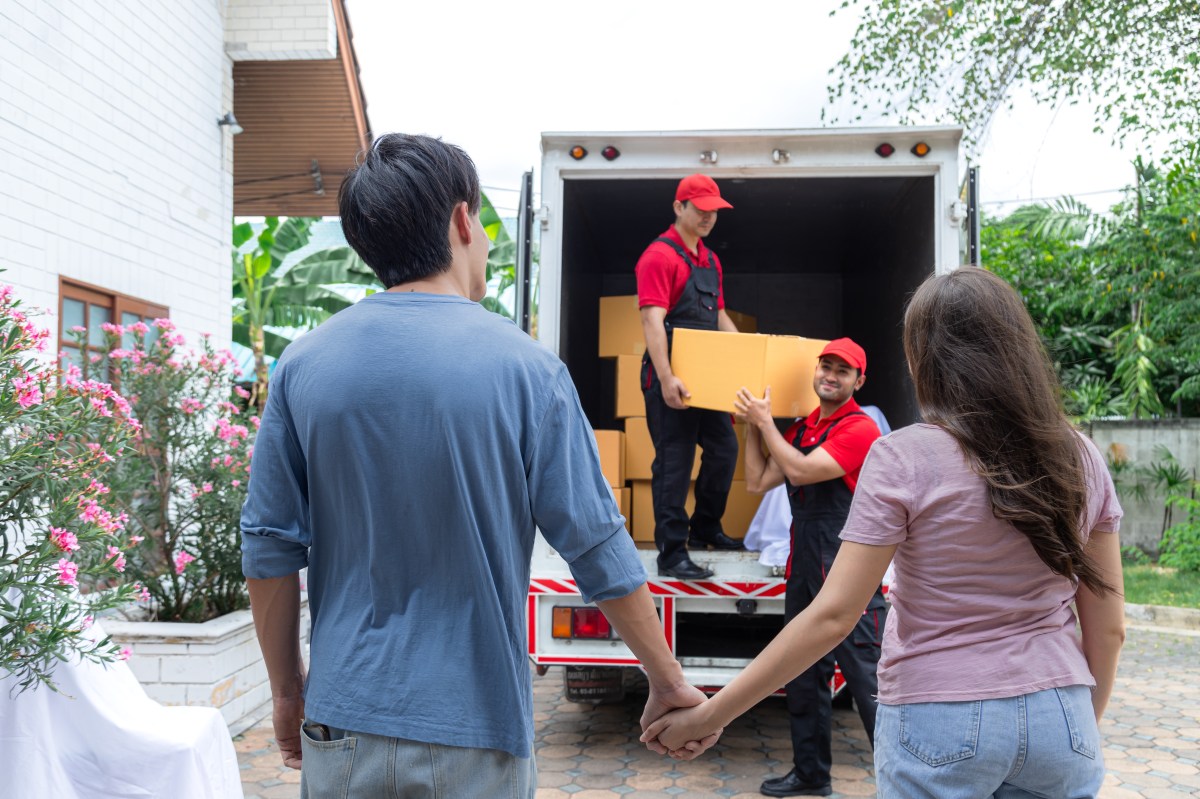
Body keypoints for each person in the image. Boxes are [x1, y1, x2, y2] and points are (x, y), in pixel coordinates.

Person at [240, 133, 718, 799]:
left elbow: (267, 547)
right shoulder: (526, 369)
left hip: (341, 718)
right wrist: (666, 680)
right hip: (475, 727)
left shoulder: (303, 366)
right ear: (462, 220)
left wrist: (288, 692)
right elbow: (594, 542)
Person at [642, 267, 1127, 799]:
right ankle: (810, 772)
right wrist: (1078, 723)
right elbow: (1107, 629)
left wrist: (711, 715)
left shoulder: (901, 454)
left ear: (920, 359)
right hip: (1061, 710)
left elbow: (831, 617)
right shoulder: (1078, 455)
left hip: (939, 710)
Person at [737, 338, 885, 797]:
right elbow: (758, 480)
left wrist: (766, 423)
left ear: (858, 380)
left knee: (867, 677)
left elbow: (800, 472)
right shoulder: (802, 429)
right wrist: (749, 428)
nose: (831, 375)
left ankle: (911, 778)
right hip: (804, 561)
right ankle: (811, 774)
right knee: (802, 671)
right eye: (826, 366)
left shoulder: (860, 429)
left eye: (843, 370)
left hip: (846, 562)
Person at [637, 174, 742, 581]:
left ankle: (705, 529)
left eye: (714, 210)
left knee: (724, 448)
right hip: (670, 378)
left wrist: (748, 355)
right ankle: (671, 552)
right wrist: (666, 379)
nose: (708, 217)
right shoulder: (658, 257)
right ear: (679, 207)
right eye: (700, 209)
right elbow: (652, 320)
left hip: (707, 378)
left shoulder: (711, 260)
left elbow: (718, 315)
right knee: (675, 463)